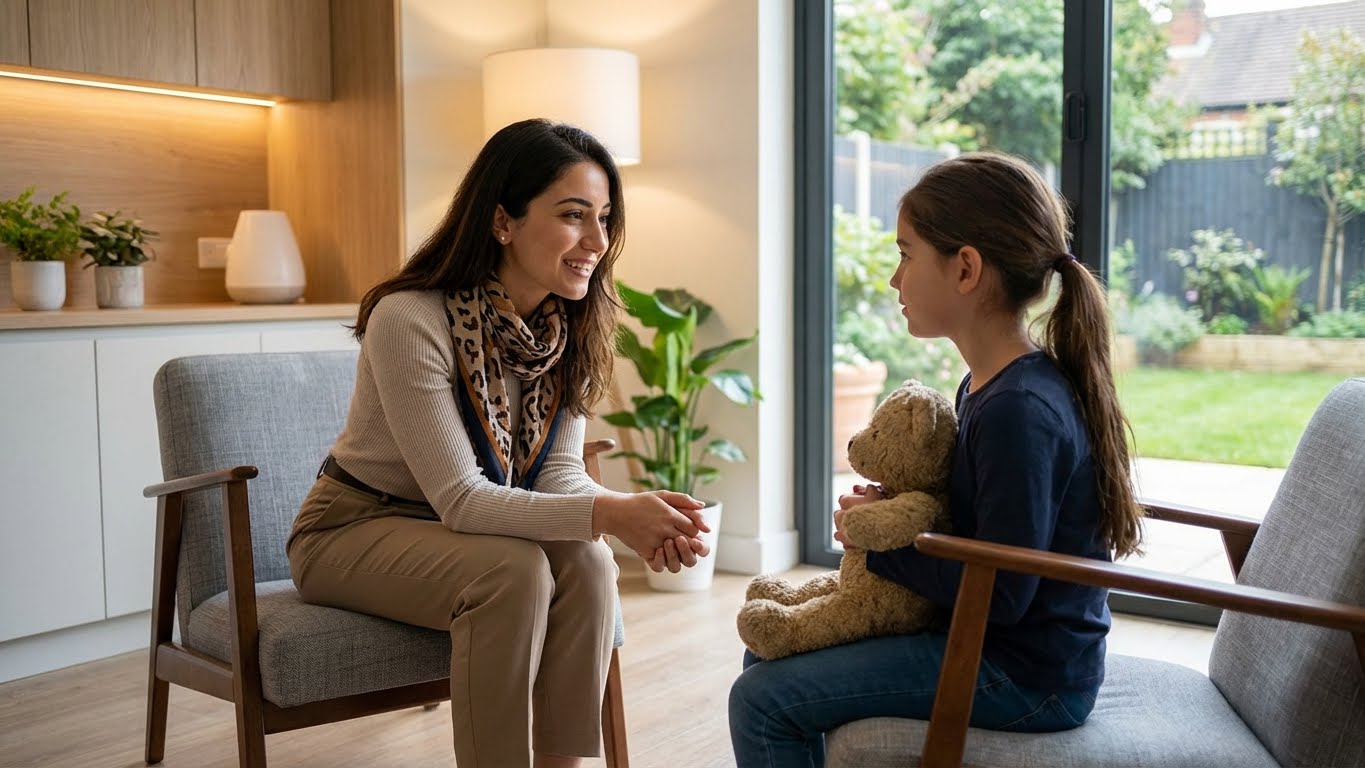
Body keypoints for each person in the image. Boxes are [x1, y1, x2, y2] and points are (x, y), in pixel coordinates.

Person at [287, 118, 710, 768]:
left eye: (603, 218)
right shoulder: (411, 318)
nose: (597, 241)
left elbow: (558, 476)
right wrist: (613, 514)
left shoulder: (568, 328)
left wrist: (633, 513)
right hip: (353, 529)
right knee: (511, 572)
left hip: (467, 530)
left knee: (590, 562)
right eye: (573, 215)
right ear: (502, 221)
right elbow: (462, 499)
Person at [729, 151, 1145, 767]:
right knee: (768, 648)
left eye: (906, 255)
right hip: (993, 646)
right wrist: (893, 512)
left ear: (966, 268)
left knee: (761, 700)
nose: (894, 280)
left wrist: (881, 550)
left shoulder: (1020, 409)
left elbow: (1002, 592)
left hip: (1026, 675)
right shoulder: (988, 385)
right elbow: (978, 526)